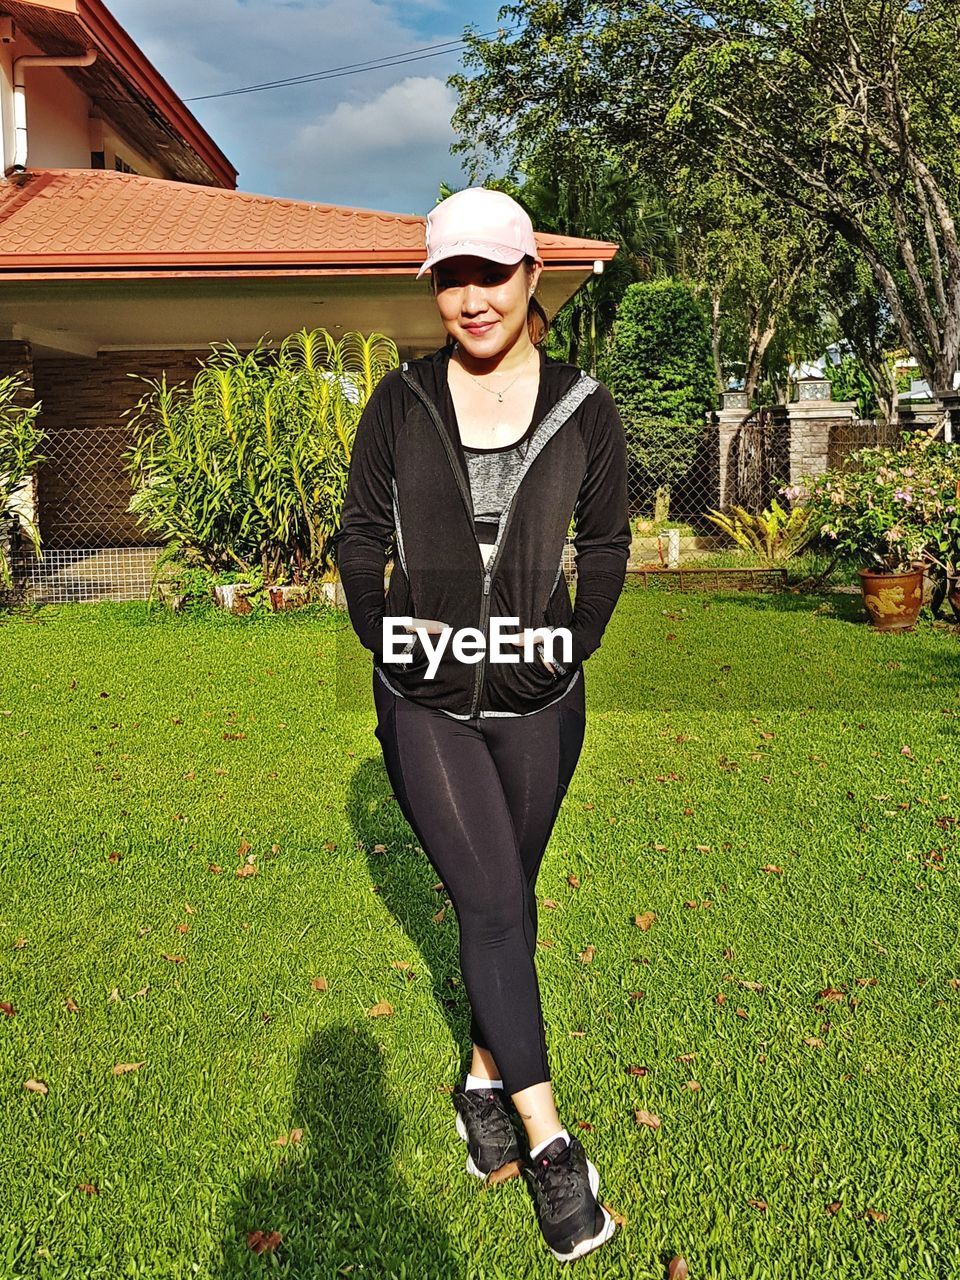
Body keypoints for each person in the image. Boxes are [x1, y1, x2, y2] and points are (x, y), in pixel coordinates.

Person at [330, 186, 631, 1263]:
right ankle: (553, 1152)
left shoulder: (585, 405)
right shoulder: (400, 402)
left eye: (490, 274)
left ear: (529, 277)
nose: (470, 297)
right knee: (495, 904)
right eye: (450, 276)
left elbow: (606, 543)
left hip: (541, 697)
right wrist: (387, 634)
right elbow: (360, 533)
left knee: (507, 899)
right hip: (427, 700)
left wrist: (574, 639)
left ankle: (480, 1083)